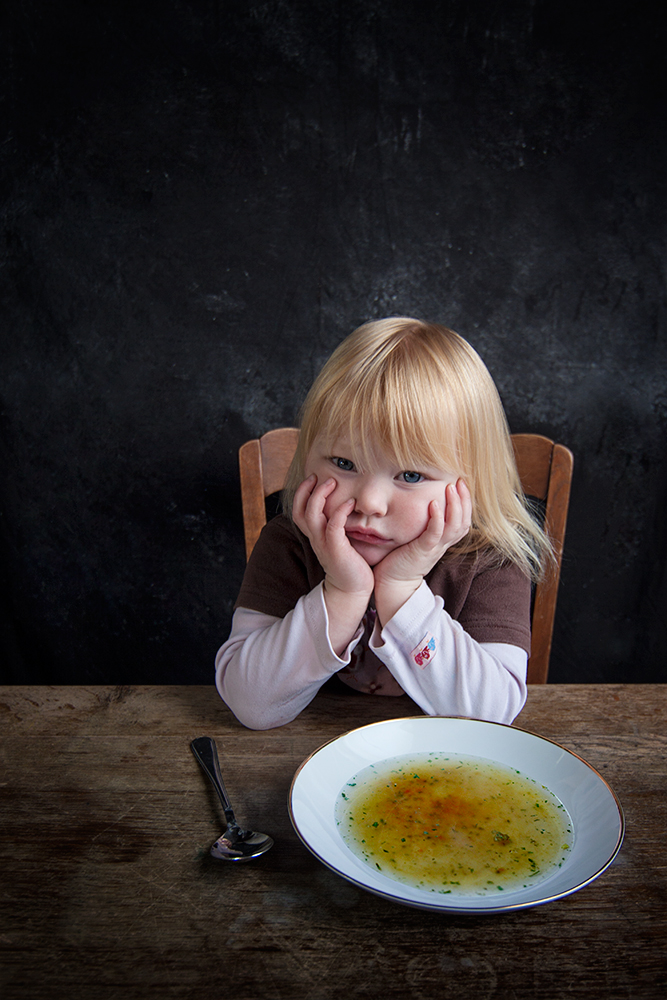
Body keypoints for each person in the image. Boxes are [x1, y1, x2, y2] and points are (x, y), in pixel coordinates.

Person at [215, 317, 552, 730]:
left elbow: (492, 715)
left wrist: (401, 589)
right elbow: (251, 704)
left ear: (470, 484)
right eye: (344, 463)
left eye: (410, 476)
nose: (369, 503)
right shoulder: (291, 541)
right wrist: (343, 591)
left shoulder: (490, 558)